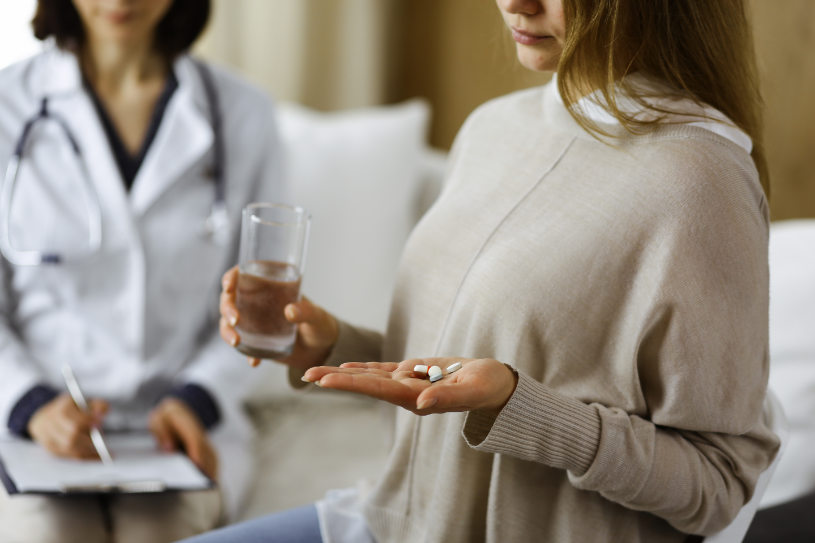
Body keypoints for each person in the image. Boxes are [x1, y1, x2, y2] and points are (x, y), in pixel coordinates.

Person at [198, 0, 780, 541]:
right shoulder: (494, 128)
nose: (515, 3)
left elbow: (720, 481)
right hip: (392, 521)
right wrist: (331, 346)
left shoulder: (702, 183)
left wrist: (519, 409)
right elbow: (459, 370)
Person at [0, 0, 286, 541]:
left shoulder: (242, 113)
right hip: (30, 428)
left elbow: (263, 308)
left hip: (184, 425)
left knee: (159, 532)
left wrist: (196, 399)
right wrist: (30, 405)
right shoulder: (7, 105)